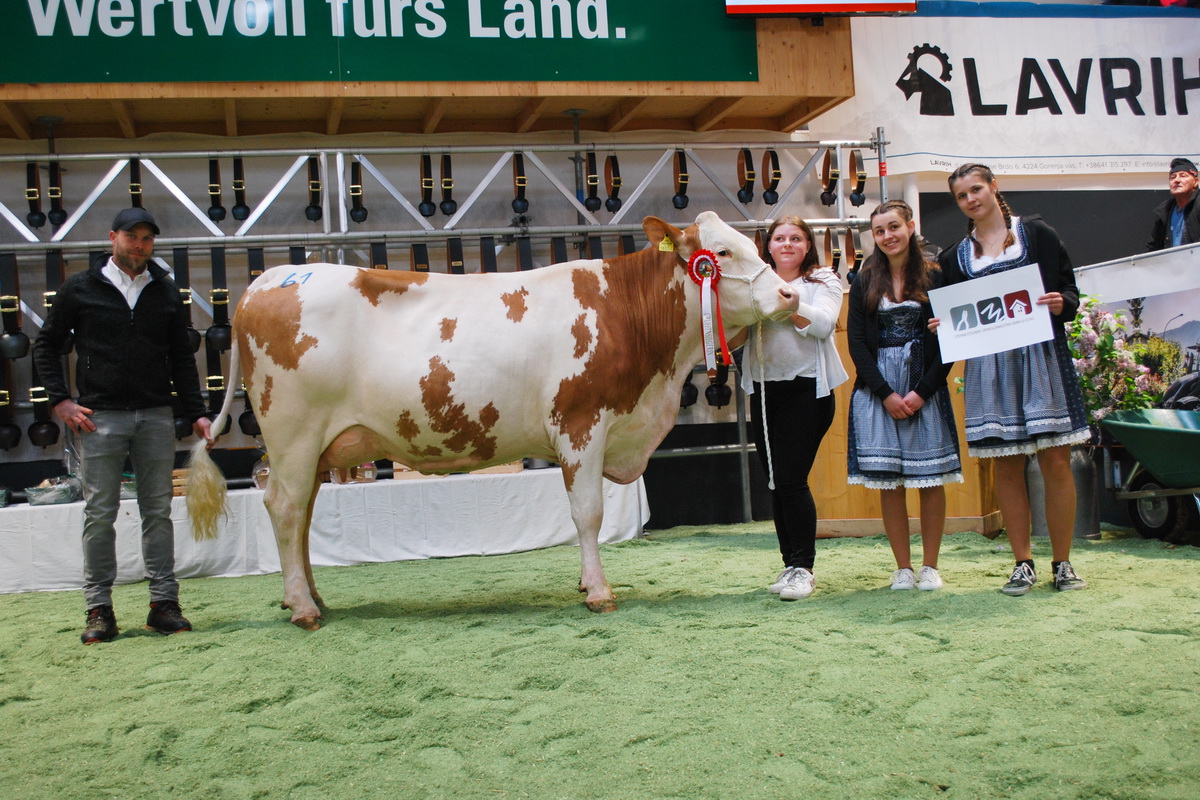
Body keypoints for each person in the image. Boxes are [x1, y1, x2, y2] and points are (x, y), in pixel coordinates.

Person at [33, 208, 213, 644]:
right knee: (100, 515)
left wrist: (197, 411)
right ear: (113, 237)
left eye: (147, 239)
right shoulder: (80, 287)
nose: (139, 245)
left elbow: (181, 358)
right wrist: (60, 402)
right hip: (100, 418)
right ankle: (99, 610)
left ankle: (163, 605)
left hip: (155, 416)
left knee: (158, 513)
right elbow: (46, 344)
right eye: (132, 236)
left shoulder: (166, 291)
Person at [932, 164, 1089, 595]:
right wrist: (942, 324)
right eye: (962, 195)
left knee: (1056, 460)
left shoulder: (1038, 234)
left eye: (976, 189)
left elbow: (1070, 290)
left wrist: (1062, 303)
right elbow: (954, 312)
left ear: (994, 187)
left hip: (1040, 357)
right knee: (1006, 464)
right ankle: (1022, 561)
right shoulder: (953, 257)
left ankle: (1063, 562)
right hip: (990, 367)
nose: (971, 199)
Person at [847, 200, 962, 591]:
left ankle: (930, 566)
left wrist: (922, 392)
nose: (887, 236)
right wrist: (885, 393)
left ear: (910, 226)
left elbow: (949, 340)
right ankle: (903, 567)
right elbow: (858, 346)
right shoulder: (864, 279)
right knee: (890, 482)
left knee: (930, 480)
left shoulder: (936, 274)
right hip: (880, 388)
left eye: (893, 227)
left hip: (923, 385)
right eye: (879, 231)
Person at [736, 215, 848, 601]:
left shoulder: (823, 281)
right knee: (775, 482)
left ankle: (805, 568)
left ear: (807, 245)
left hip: (808, 390)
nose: (787, 244)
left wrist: (793, 305)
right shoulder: (755, 282)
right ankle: (790, 564)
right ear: (768, 246)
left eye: (795, 238)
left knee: (791, 479)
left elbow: (825, 324)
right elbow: (737, 332)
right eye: (779, 238)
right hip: (765, 391)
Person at [1147, 157, 1200, 251]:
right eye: (1172, 177)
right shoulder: (1164, 211)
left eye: (1183, 176)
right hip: (1173, 265)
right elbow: (1153, 248)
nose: (1177, 180)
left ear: (1196, 182)